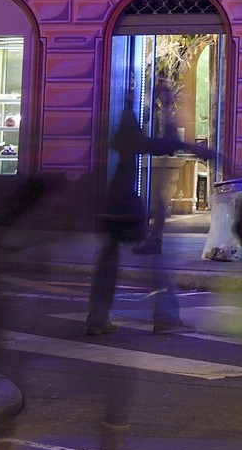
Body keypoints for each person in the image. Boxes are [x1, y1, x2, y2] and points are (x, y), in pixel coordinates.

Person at [86, 87, 209, 337]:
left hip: (110, 207)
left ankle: (97, 319)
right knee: (155, 259)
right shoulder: (132, 140)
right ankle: (166, 316)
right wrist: (167, 109)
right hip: (127, 208)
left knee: (106, 266)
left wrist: (133, 103)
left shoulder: (117, 140)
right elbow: (168, 143)